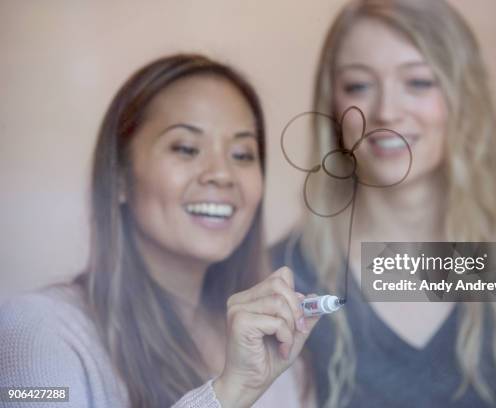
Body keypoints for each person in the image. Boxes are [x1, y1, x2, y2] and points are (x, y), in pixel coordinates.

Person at [272, 1, 496, 407]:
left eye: (418, 82)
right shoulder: (284, 277)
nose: (386, 111)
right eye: (359, 86)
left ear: (463, 95)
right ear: (332, 105)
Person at [0, 54, 319, 408]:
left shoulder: (281, 355)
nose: (222, 173)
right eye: (186, 148)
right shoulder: (39, 333)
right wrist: (232, 391)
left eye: (242, 154)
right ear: (119, 175)